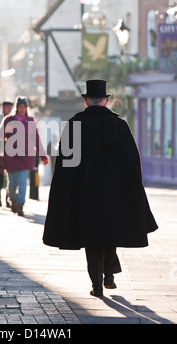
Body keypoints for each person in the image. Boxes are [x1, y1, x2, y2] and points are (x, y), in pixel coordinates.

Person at [42, 80, 158, 297]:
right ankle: (109, 275)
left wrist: (65, 193)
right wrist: (130, 189)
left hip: (85, 193)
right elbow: (132, 163)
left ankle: (97, 285)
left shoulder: (75, 124)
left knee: (91, 238)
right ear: (106, 101)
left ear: (86, 101)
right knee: (109, 232)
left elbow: (65, 165)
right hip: (112, 193)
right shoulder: (119, 125)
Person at [0, 96, 49, 216]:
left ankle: (20, 205)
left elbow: (37, 139)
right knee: (12, 183)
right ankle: (12, 200)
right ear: (17, 107)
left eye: (24, 107)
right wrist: (7, 129)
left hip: (26, 156)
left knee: (22, 182)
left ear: (26, 108)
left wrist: (43, 156)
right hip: (11, 156)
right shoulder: (9, 120)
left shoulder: (30, 121)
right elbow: (0, 135)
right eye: (20, 107)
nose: (22, 109)